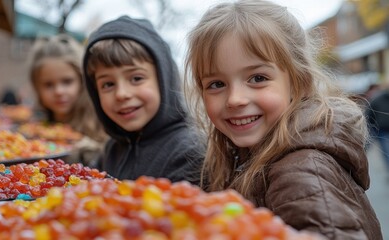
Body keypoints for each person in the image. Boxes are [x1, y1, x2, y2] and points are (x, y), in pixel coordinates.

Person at [183, 0, 382, 239]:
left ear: (299, 82)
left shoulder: (302, 170)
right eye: (216, 84)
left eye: (257, 78)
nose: (234, 99)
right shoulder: (248, 154)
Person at [83, 16, 204, 183]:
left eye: (136, 78)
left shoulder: (189, 152)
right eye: (108, 84)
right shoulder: (112, 149)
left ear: (164, 79)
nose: (121, 94)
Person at [28, 34, 108, 166]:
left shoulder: (100, 123)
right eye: (48, 84)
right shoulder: (34, 128)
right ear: (37, 88)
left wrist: (93, 151)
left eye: (67, 82)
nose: (59, 91)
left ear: (82, 82)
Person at [366, 85, 389, 172]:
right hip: (377, 128)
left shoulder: (377, 98)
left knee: (387, 152)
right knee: (364, 147)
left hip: (384, 130)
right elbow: (368, 112)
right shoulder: (378, 98)